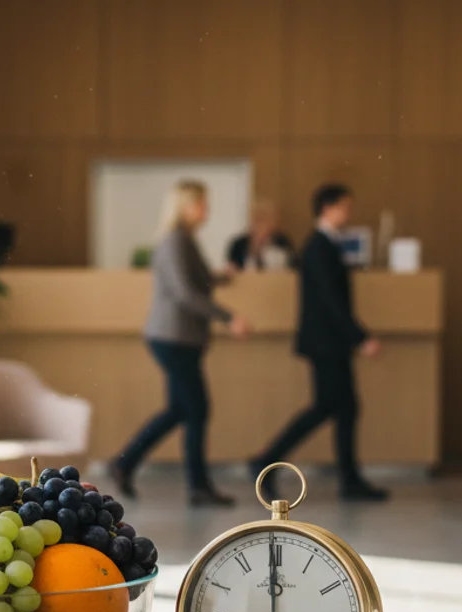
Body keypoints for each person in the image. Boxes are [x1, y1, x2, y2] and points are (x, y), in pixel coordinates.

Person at [110, 180, 251, 507]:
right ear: (186, 206)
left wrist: (220, 277)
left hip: (181, 339)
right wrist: (228, 318)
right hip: (172, 338)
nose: (207, 211)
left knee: (181, 410)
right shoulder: (175, 241)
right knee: (197, 409)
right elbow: (185, 293)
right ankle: (196, 486)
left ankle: (126, 463)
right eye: (202, 204)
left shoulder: (185, 240)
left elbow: (194, 281)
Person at [248, 184, 388, 502]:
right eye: (345, 206)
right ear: (328, 208)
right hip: (326, 342)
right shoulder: (319, 247)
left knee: (343, 408)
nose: (349, 213)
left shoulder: (325, 245)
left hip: (330, 341)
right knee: (330, 407)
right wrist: (360, 336)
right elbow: (331, 301)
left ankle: (348, 478)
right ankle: (267, 460)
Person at [226, 200, 293, 272]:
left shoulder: (283, 243)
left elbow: (290, 270)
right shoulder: (238, 245)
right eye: (256, 220)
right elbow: (233, 269)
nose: (259, 226)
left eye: (263, 220)